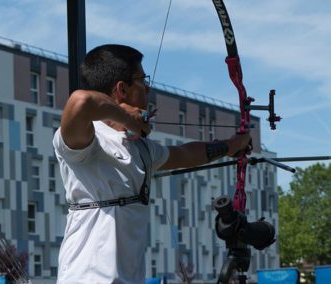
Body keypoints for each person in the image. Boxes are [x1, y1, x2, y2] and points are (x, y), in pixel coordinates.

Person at [53, 44, 251, 283]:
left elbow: (185, 154)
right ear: (122, 89)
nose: (148, 87)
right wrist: (129, 118)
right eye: (142, 79)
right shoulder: (87, 141)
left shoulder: (141, 148)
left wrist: (232, 145)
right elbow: (80, 101)